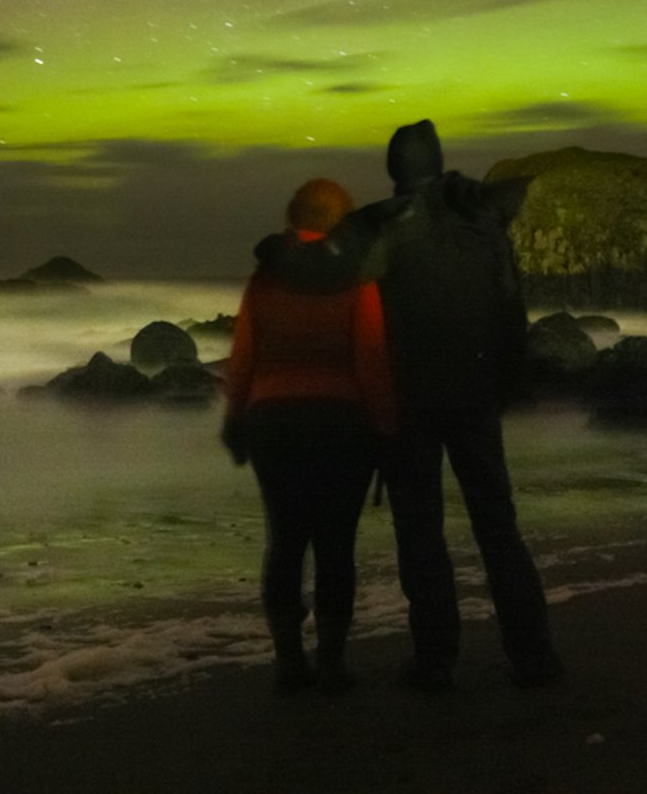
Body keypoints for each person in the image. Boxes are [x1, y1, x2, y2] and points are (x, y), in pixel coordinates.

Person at [256, 120, 562, 689]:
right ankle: (533, 653)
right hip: (474, 397)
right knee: (498, 526)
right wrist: (501, 387)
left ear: (396, 169)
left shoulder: (382, 229)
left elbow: (328, 282)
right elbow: (510, 312)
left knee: (421, 533)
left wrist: (278, 252)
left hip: (410, 404)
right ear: (438, 162)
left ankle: (435, 658)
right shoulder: (484, 224)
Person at [221, 177, 398, 693]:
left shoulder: (266, 276)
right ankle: (333, 662)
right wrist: (387, 429)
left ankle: (288, 660)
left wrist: (235, 417)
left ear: (292, 218)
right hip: (342, 423)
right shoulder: (357, 277)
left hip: (274, 421)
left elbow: (244, 355)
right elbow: (371, 359)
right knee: (336, 545)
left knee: (285, 540)